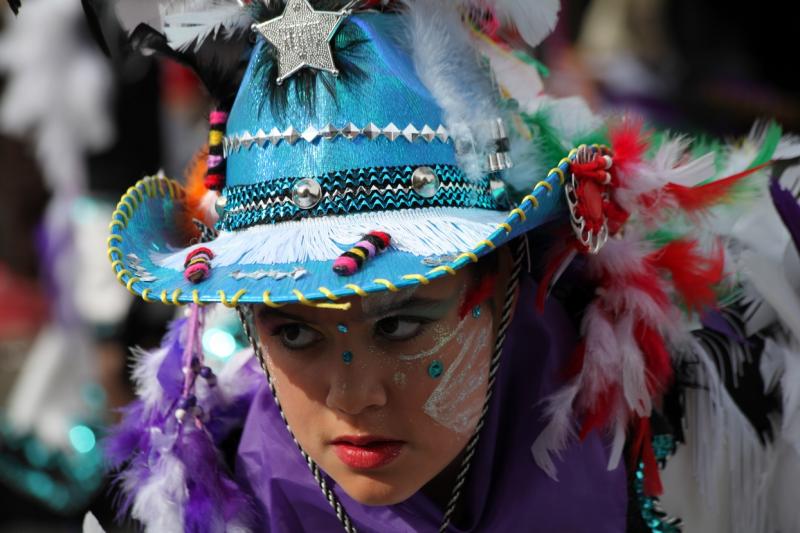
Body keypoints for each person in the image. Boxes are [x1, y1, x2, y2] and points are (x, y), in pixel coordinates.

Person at [57, 0, 799, 531]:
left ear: (507, 275)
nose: (356, 395)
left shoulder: (689, 430)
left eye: (403, 321)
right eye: (294, 331)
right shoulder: (181, 510)